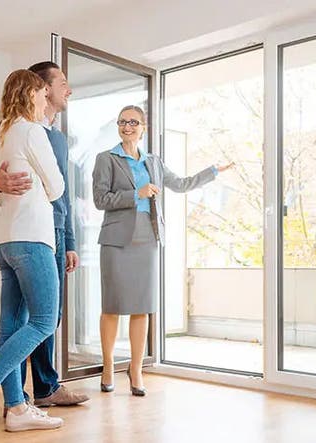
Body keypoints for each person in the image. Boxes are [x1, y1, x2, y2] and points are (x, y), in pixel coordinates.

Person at [0, 62, 89, 412]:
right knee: (43, 319)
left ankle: (26, 399)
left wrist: (70, 241)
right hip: (34, 233)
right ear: (41, 89)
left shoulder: (34, 135)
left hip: (23, 234)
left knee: (19, 321)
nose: (69, 89)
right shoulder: (24, 131)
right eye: (62, 83)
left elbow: (64, 200)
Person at [92, 105, 233, 396]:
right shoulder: (105, 159)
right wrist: (136, 194)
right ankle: (108, 366)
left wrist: (213, 171)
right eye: (122, 122)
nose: (127, 126)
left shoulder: (153, 162)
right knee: (112, 306)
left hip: (148, 238)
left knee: (142, 307)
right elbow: (100, 199)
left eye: (133, 122)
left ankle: (135, 370)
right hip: (116, 240)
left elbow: (181, 184)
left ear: (143, 127)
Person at [0, 69, 64, 438]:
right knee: (44, 321)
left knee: (11, 325)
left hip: (5, 241)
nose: (44, 99)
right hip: (33, 236)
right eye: (41, 93)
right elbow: (56, 186)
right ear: (30, 94)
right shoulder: (32, 130)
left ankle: (17, 408)